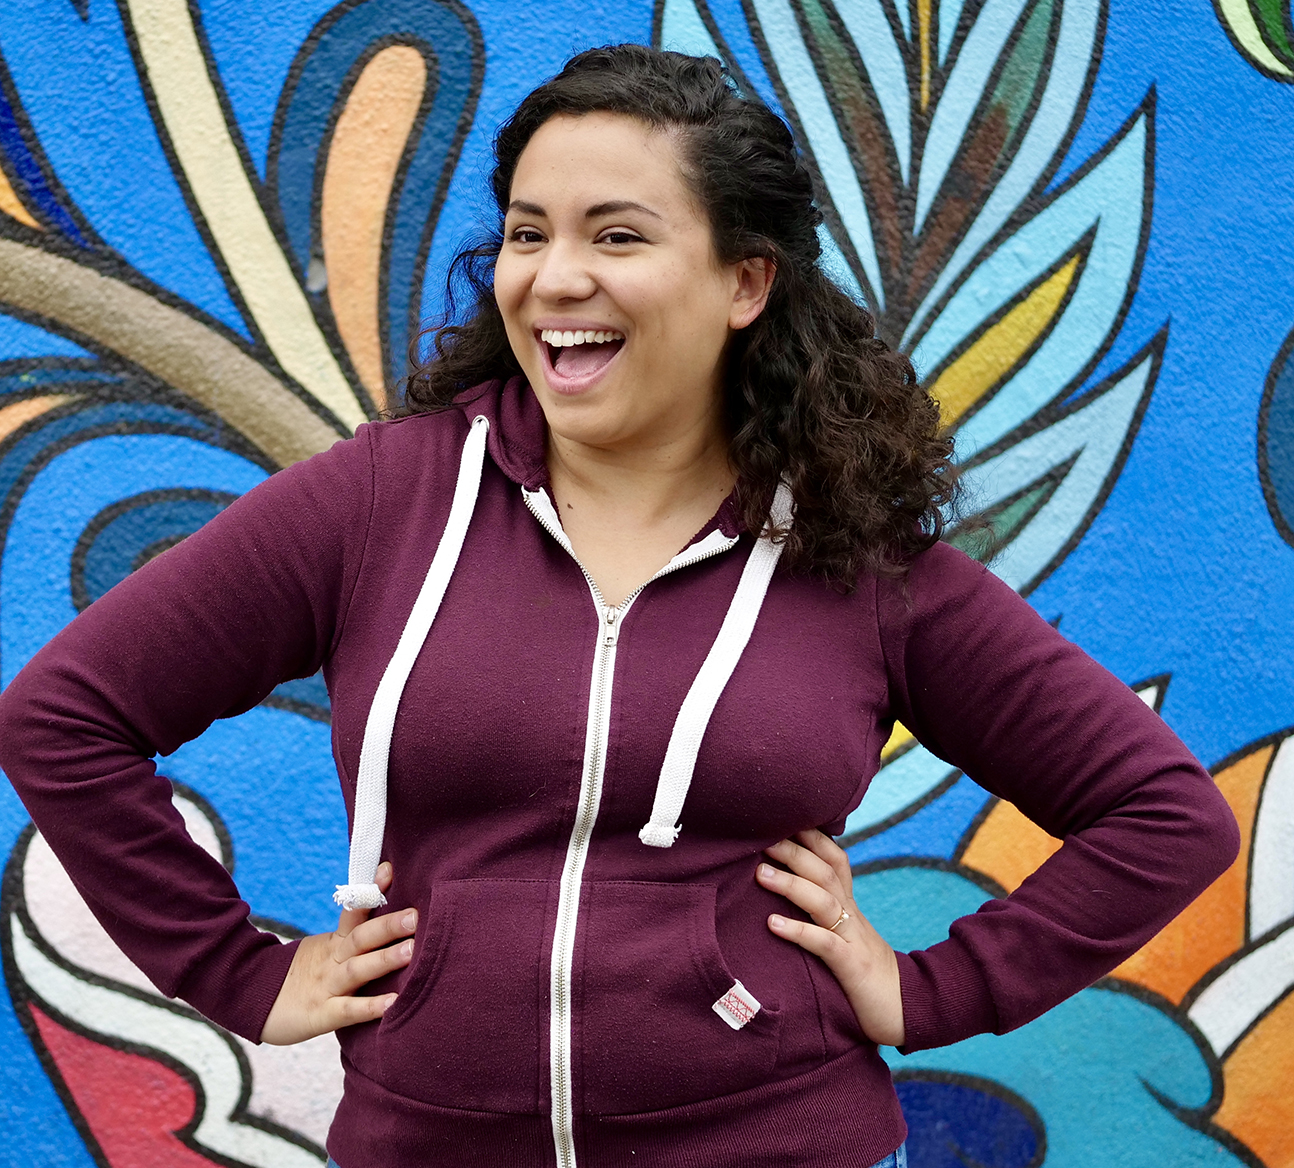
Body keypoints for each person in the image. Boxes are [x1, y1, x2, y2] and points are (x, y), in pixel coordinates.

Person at [0, 44, 1237, 1168]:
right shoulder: (385, 499)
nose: (554, 279)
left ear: (744, 281)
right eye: (529, 234)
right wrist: (239, 974)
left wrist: (929, 992)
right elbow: (64, 716)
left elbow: (1162, 814)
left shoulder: (853, 562)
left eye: (618, 236)